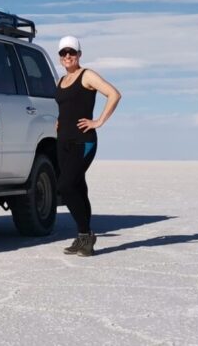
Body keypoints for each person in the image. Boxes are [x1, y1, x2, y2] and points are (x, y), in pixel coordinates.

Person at [53, 35, 121, 256]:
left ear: (79, 54)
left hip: (83, 141)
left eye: (72, 52)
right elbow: (65, 108)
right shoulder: (61, 81)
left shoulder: (87, 75)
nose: (68, 56)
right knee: (78, 187)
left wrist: (98, 121)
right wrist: (58, 124)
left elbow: (114, 94)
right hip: (63, 142)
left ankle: (86, 234)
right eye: (64, 53)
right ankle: (83, 238)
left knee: (65, 185)